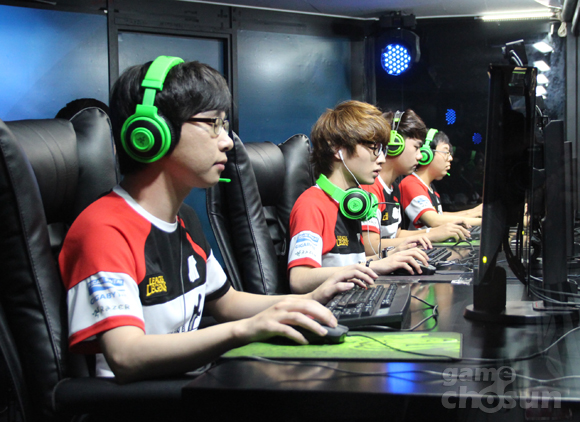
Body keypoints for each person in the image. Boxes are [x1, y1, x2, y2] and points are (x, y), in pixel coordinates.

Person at [58, 56, 374, 383]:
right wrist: (244, 330)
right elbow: (126, 355)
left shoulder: (183, 218)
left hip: (190, 384)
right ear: (152, 132)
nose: (226, 141)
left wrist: (307, 300)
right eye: (213, 124)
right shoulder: (104, 228)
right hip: (142, 399)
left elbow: (226, 302)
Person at [287, 100, 429, 294]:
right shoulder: (312, 204)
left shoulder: (354, 205)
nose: (382, 159)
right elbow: (299, 279)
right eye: (374, 148)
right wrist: (374, 266)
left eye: (382, 150)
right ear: (337, 149)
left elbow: (350, 264)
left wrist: (388, 257)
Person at [360, 111, 471, 256]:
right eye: (416, 147)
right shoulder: (371, 187)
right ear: (394, 144)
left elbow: (396, 234)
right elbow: (370, 246)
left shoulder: (393, 187)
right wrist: (431, 235)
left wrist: (432, 232)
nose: (420, 156)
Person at [398, 129, 482, 231]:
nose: (450, 158)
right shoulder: (411, 183)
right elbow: (434, 220)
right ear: (426, 153)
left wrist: (474, 212)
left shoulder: (429, 186)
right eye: (446, 152)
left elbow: (440, 215)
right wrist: (484, 222)